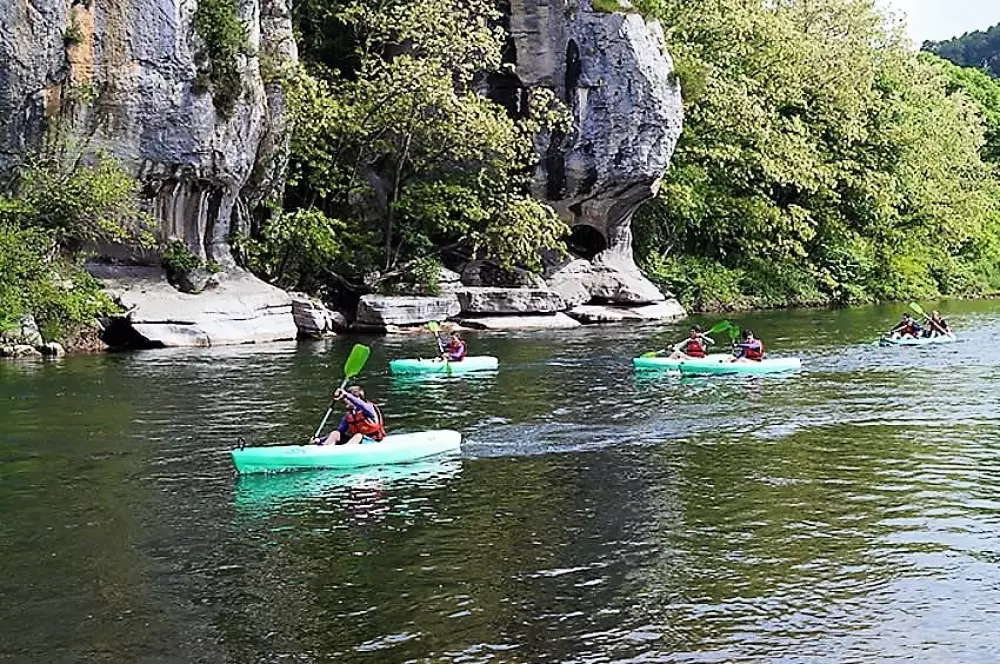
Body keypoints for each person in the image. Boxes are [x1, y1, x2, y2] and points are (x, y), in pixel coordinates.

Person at [312, 385, 386, 446]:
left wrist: (346, 394)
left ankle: (343, 453)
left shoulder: (369, 409)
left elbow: (360, 404)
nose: (344, 401)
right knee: (335, 433)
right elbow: (340, 431)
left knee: (358, 436)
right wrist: (320, 440)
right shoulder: (349, 415)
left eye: (347, 399)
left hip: (373, 442)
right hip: (355, 443)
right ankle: (325, 449)